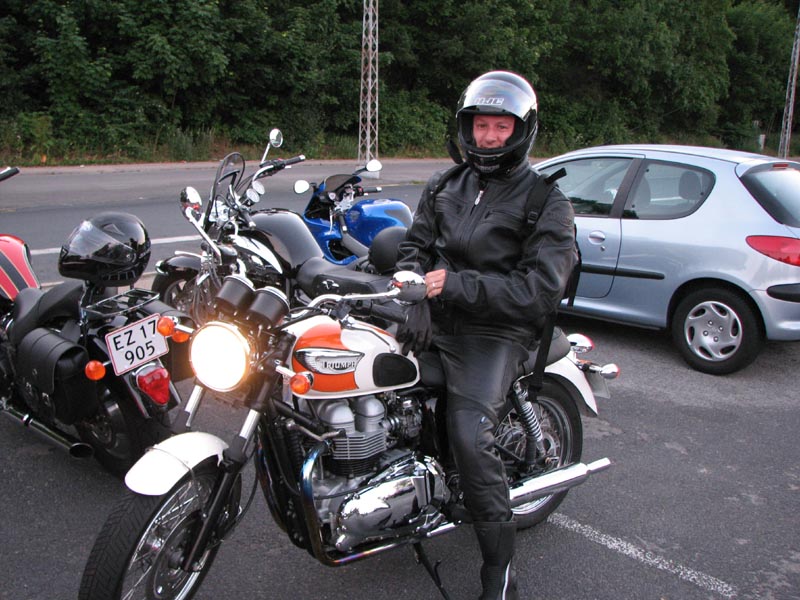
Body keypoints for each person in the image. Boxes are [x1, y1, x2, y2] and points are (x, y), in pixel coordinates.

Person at [395, 70, 578, 599]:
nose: (489, 137)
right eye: (481, 125)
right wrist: (414, 293)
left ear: (522, 130)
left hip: (495, 331)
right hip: (436, 315)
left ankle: (500, 575)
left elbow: (538, 290)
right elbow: (413, 248)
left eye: (501, 126)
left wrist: (452, 285)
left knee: (472, 438)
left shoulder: (546, 201)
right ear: (466, 128)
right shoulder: (444, 185)